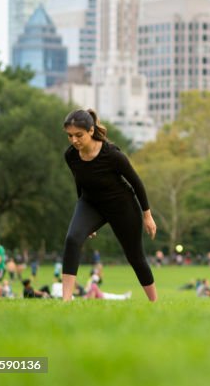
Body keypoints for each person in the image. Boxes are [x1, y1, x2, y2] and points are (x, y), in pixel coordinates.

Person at [60, 109, 158, 303]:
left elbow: (136, 182)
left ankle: (154, 302)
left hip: (122, 206)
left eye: (78, 135)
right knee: (72, 239)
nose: (74, 140)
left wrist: (147, 216)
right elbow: (79, 182)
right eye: (70, 136)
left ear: (90, 130)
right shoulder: (71, 156)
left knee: (135, 257)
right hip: (90, 203)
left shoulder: (112, 154)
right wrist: (86, 223)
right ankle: (66, 300)